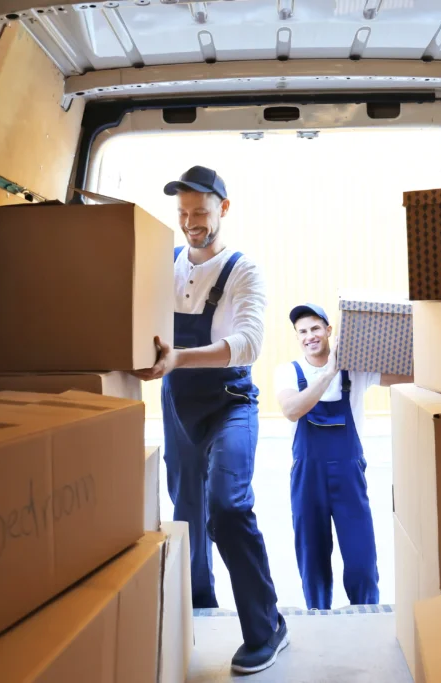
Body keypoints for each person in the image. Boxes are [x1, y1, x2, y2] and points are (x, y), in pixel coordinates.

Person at [133, 166, 287, 674]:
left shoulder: (244, 271)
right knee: (184, 513)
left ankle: (267, 627)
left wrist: (178, 357)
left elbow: (249, 345)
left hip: (230, 403)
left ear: (223, 208)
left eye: (199, 211)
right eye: (182, 213)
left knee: (226, 506)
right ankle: (197, 606)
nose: (190, 222)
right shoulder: (167, 263)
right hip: (177, 405)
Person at [274, 304, 412, 611]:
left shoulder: (356, 370)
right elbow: (292, 410)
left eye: (315, 328)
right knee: (313, 556)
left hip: (349, 475)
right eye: (303, 331)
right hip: (308, 477)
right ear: (297, 337)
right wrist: (329, 372)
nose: (310, 336)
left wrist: (387, 339)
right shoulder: (288, 372)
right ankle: (318, 617)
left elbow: (412, 374)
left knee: (361, 556)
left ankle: (367, 617)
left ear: (329, 331)